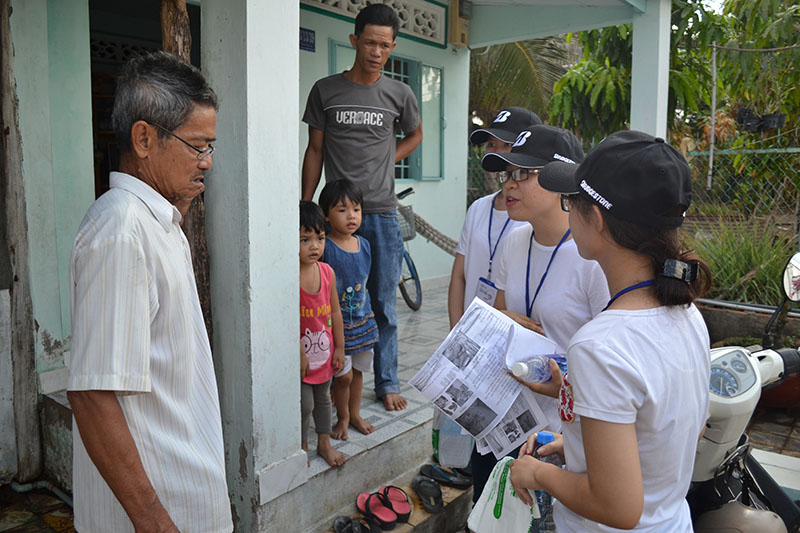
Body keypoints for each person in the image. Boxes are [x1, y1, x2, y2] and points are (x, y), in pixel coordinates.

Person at [509, 130, 712, 531]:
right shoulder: (687, 313)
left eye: (571, 202)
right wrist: (582, 445)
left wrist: (534, 473)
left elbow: (618, 507)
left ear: (596, 220)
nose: (567, 211)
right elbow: (678, 429)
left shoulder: (600, 345)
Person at [67, 51, 231, 532]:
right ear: (144, 138)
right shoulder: (122, 230)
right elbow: (93, 395)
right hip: (160, 512)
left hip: (184, 491)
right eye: (198, 146)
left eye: (212, 147)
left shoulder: (159, 223)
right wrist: (153, 520)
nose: (208, 162)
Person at [470, 125, 609, 507]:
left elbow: (610, 358)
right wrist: (504, 320)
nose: (508, 185)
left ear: (561, 179)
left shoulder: (593, 259)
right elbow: (499, 312)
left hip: (558, 438)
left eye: (523, 174)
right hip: (503, 419)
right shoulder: (515, 241)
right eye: (506, 174)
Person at [301, 3, 422, 411]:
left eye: (384, 45)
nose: (376, 51)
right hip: (335, 219)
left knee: (383, 302)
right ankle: (334, 375)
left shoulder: (399, 93)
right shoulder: (326, 90)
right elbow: (315, 149)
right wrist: (306, 206)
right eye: (369, 42)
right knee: (336, 300)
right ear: (355, 41)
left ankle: (386, 382)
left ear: (393, 46)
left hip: (383, 214)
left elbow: (416, 134)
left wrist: (391, 156)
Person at [447, 106, 540, 328]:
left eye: (507, 145)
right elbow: (459, 276)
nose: (496, 151)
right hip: (471, 330)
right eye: (491, 144)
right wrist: (455, 330)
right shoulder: (478, 208)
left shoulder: (533, 216)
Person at [319, 179, 379, 440]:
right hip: (337, 328)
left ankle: (354, 414)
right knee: (341, 377)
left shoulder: (364, 245)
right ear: (327, 215)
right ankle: (342, 418)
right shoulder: (326, 248)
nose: (351, 215)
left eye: (356, 209)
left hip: (362, 323)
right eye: (342, 210)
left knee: (357, 373)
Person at [299, 200, 347, 467]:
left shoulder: (327, 272)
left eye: (319, 238)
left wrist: (339, 347)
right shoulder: (289, 276)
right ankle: (302, 445)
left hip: (326, 356)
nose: (315, 246)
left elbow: (336, 313)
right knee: (305, 405)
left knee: (324, 401)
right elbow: (286, 321)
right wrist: (298, 354)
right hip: (304, 361)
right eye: (305, 239)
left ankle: (324, 442)